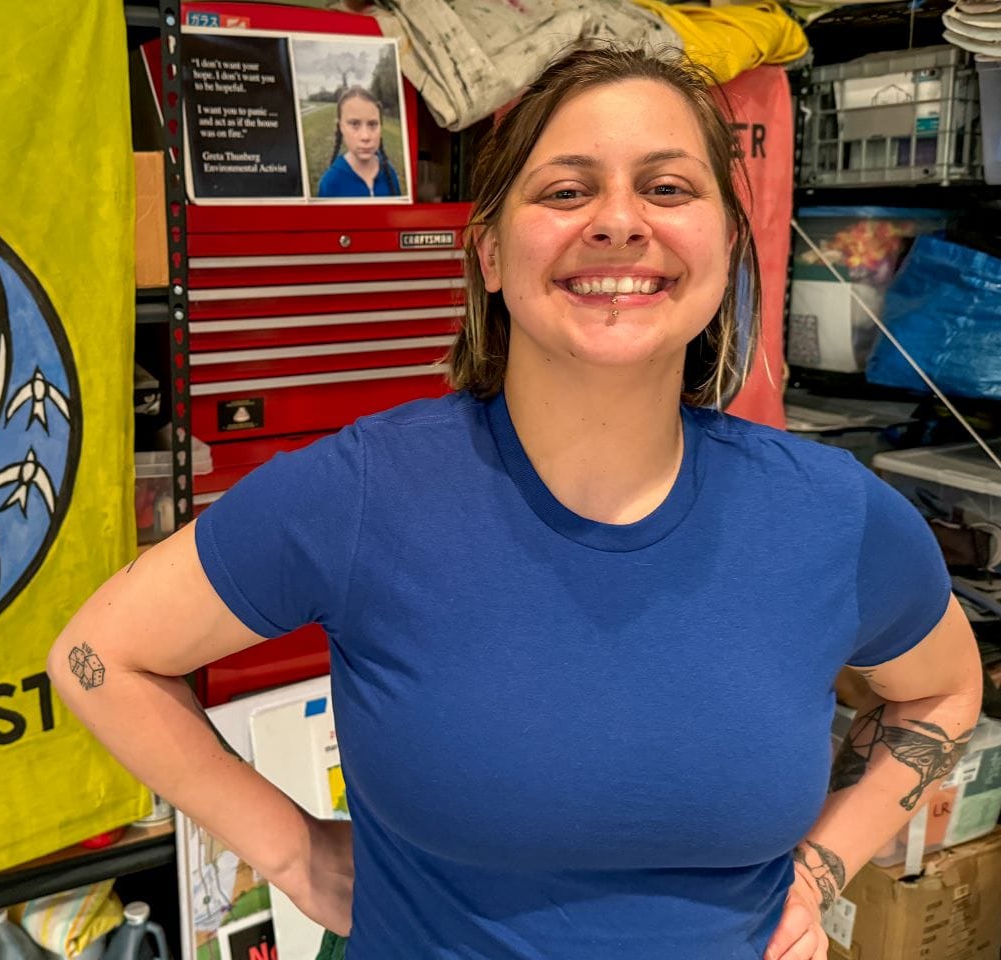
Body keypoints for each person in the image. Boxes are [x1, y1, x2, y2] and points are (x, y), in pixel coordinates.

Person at [48, 46, 983, 960]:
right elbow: (99, 660)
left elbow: (946, 690)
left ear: (729, 244)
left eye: (667, 188)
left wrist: (821, 869)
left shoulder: (833, 517)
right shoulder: (364, 493)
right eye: (567, 191)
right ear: (489, 253)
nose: (620, 222)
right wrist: (290, 850)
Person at [316, 86, 401, 198]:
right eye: (354, 124)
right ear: (341, 127)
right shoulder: (330, 184)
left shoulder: (389, 173)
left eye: (372, 124)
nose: (365, 136)